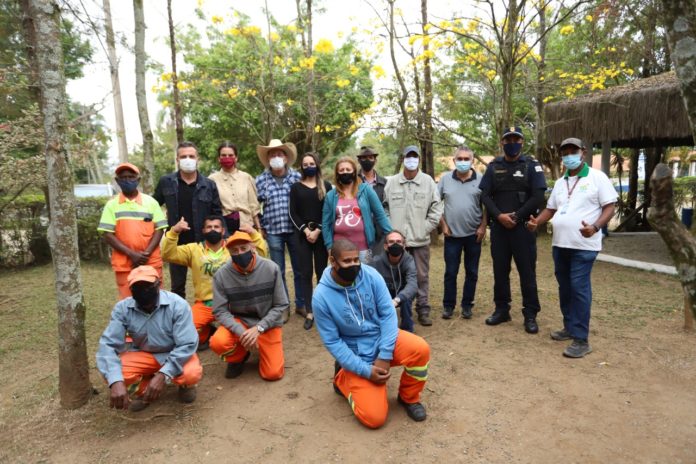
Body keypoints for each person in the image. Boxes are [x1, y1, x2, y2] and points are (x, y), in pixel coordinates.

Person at [313, 239, 431, 429]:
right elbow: (333, 342)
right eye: (347, 262)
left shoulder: (371, 275)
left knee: (420, 349)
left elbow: (388, 314)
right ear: (333, 261)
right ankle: (343, 378)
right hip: (357, 353)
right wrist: (365, 371)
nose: (353, 266)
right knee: (374, 418)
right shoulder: (321, 296)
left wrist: (385, 354)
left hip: (381, 338)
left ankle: (409, 398)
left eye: (355, 260)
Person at [527, 138, 617, 358]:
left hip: (584, 246)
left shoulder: (597, 178)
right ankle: (569, 327)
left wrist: (595, 227)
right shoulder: (560, 182)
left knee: (578, 288)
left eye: (573, 151)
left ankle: (581, 339)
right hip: (560, 245)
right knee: (565, 288)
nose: (568, 155)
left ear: (583, 152)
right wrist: (536, 222)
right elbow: (551, 209)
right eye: (564, 152)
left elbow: (610, 207)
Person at [96, 265, 202, 412]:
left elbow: (187, 344)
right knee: (113, 373)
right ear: (131, 290)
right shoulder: (122, 309)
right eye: (137, 287)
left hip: (174, 352)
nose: (143, 291)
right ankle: (145, 391)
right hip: (144, 353)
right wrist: (116, 381)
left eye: (148, 286)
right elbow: (108, 346)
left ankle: (184, 385)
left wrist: (163, 374)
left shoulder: (178, 305)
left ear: (158, 284)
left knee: (191, 373)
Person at [161, 216, 268, 348]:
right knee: (181, 330)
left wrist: (253, 233)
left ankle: (235, 350)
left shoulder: (234, 247)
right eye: (209, 227)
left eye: (216, 227)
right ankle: (206, 333)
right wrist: (174, 232)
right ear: (203, 231)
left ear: (223, 231)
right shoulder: (193, 249)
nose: (213, 230)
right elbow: (167, 254)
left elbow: (262, 254)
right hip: (205, 304)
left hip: (232, 304)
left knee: (236, 331)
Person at [479, 126, 547, 334]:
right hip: (500, 228)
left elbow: (538, 196)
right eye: (507, 141)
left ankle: (530, 314)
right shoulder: (493, 167)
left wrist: (516, 217)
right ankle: (502, 309)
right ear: (502, 143)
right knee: (500, 271)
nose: (511, 144)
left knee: (527, 272)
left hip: (523, 228)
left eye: (515, 140)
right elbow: (484, 195)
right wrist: (499, 216)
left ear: (522, 142)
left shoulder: (531, 166)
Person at [210, 230, 288, 380]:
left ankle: (264, 348)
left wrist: (259, 328)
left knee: (273, 374)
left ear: (252, 247)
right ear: (228, 251)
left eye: (243, 248)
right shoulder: (221, 275)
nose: (239, 253)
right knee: (218, 342)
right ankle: (238, 358)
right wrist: (241, 332)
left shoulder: (271, 268)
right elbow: (219, 311)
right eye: (234, 250)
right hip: (241, 322)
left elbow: (281, 304)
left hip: (268, 323)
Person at [383, 145, 443, 327]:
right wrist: (392, 231)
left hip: (419, 239)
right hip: (396, 242)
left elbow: (437, 208)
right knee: (394, 275)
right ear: (403, 159)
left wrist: (424, 228)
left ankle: (423, 308)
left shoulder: (428, 182)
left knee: (421, 276)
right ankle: (396, 308)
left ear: (419, 159)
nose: (411, 160)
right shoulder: (391, 182)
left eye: (414, 156)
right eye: (408, 156)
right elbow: (384, 208)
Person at [154, 141, 222, 299]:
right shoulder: (166, 182)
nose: (188, 159)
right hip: (176, 244)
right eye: (183, 156)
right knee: (177, 286)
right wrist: (167, 226)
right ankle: (178, 318)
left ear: (197, 159)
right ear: (177, 159)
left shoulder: (209, 185)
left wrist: (219, 237)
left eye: (191, 156)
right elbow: (154, 206)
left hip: (203, 243)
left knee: (209, 283)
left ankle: (210, 317)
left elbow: (217, 213)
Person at [98, 163, 167, 299]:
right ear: (117, 181)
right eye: (123, 178)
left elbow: (159, 230)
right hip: (124, 262)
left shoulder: (151, 202)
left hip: (151, 261)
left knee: (155, 297)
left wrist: (145, 254)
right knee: (128, 300)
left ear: (138, 180)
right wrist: (132, 254)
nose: (127, 180)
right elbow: (107, 234)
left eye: (131, 177)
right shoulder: (112, 205)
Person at [255, 138, 304, 319]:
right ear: (268, 159)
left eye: (279, 154)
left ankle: (301, 303)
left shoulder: (297, 178)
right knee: (277, 271)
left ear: (285, 157)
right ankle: (283, 307)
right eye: (272, 154)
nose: (276, 157)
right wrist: (260, 225)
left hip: (295, 230)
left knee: (299, 269)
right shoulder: (260, 180)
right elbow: (254, 206)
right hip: (273, 231)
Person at [438, 146, 487, 320]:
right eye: (460, 158)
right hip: (451, 235)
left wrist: (483, 227)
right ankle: (448, 306)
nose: (463, 162)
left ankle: (467, 305)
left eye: (467, 159)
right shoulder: (445, 180)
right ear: (454, 161)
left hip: (474, 235)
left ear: (472, 161)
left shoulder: (481, 180)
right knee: (451, 272)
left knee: (472, 272)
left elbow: (486, 206)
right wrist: (443, 225)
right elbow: (436, 205)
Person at [289, 152, 333, 330]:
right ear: (302, 166)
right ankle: (309, 310)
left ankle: (324, 309)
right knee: (305, 274)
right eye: (305, 164)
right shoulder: (296, 188)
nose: (308, 166)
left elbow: (330, 211)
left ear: (317, 164)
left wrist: (319, 230)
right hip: (303, 236)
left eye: (311, 163)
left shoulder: (326, 186)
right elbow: (293, 213)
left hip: (321, 235)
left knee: (322, 274)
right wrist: (306, 230)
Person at [322, 157, 392, 264]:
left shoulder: (365, 190)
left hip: (363, 248)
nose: (345, 172)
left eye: (348, 169)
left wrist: (391, 235)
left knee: (364, 278)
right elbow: (326, 224)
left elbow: (380, 214)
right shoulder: (330, 196)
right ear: (337, 173)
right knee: (342, 280)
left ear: (354, 172)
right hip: (339, 249)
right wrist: (329, 246)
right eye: (341, 170)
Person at [368, 230, 418, 333]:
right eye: (391, 241)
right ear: (385, 246)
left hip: (401, 295)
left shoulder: (409, 261)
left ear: (404, 245)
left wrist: (397, 299)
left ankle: (407, 330)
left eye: (399, 241)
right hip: (382, 294)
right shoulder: (376, 262)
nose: (395, 244)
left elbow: (412, 285)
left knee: (407, 298)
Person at [209, 141, 261, 235]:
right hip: (225, 228)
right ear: (218, 158)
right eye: (223, 155)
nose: (227, 158)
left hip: (247, 226)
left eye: (230, 155)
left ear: (236, 158)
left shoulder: (246, 177)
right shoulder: (212, 180)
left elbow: (254, 206)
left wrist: (259, 230)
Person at [357, 146, 388, 257]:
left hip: (380, 232)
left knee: (378, 264)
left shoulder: (385, 183)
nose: (367, 160)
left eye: (370, 157)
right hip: (359, 230)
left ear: (375, 160)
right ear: (359, 160)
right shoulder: (353, 182)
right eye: (364, 158)